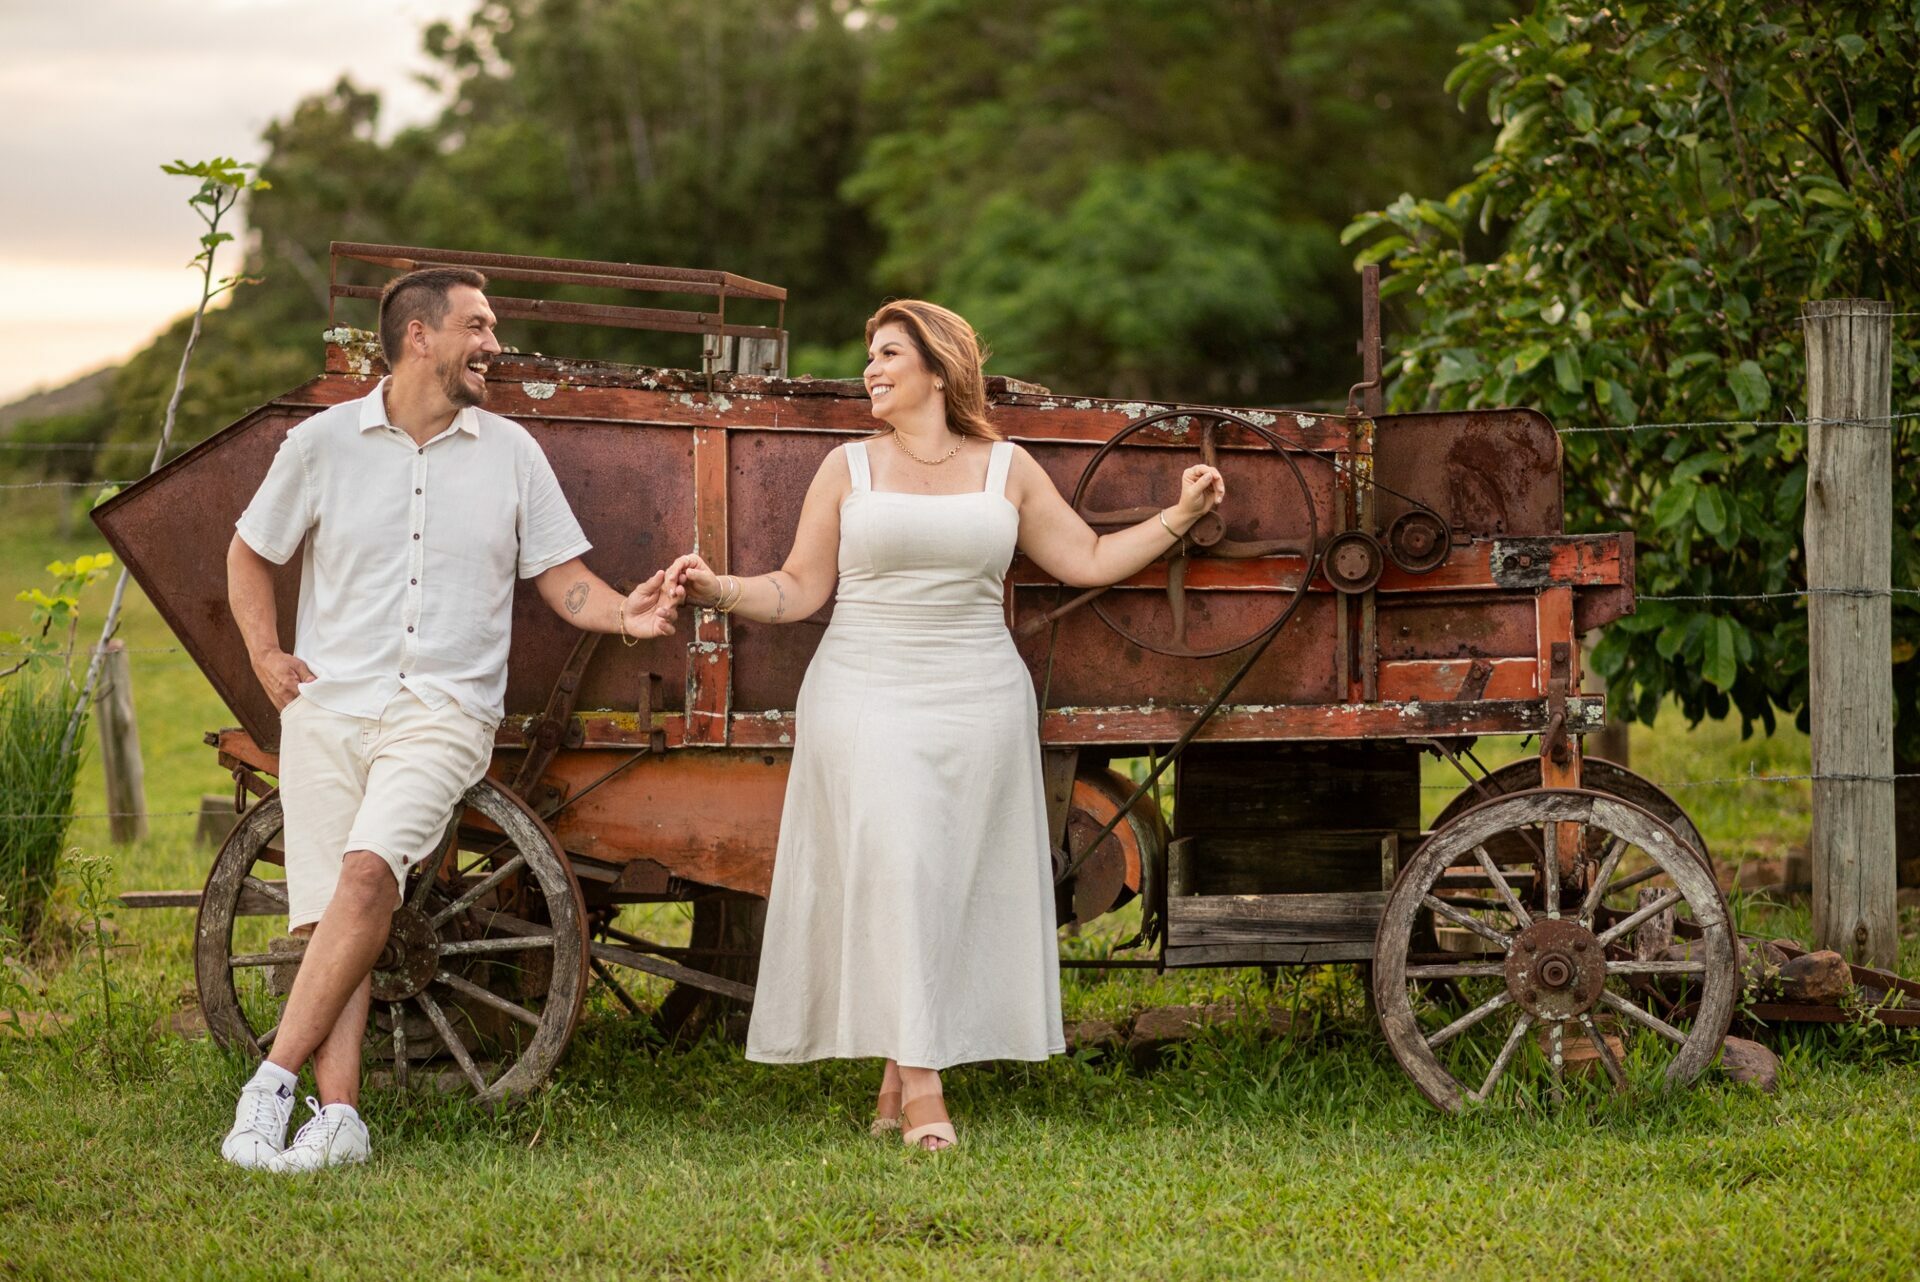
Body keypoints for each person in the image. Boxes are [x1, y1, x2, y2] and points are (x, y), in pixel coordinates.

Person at [677, 300, 1223, 1150]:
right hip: (866, 690)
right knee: (901, 866)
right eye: (869, 355)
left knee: (941, 880)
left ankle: (897, 1074)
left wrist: (1179, 516)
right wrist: (721, 590)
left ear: (938, 369)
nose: (871, 369)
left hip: (979, 695)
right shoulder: (847, 468)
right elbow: (799, 588)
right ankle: (926, 1090)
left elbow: (1084, 559)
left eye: (889, 353)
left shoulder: (1007, 467)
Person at [220, 266, 687, 1171]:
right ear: (418, 335)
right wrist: (265, 654)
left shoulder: (511, 452)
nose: (494, 344)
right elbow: (248, 551)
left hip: (444, 709)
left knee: (367, 877)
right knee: (325, 920)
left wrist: (627, 614)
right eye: (477, 326)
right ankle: (340, 1119)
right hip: (329, 706)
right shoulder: (320, 444)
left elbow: (563, 579)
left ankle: (268, 1086)